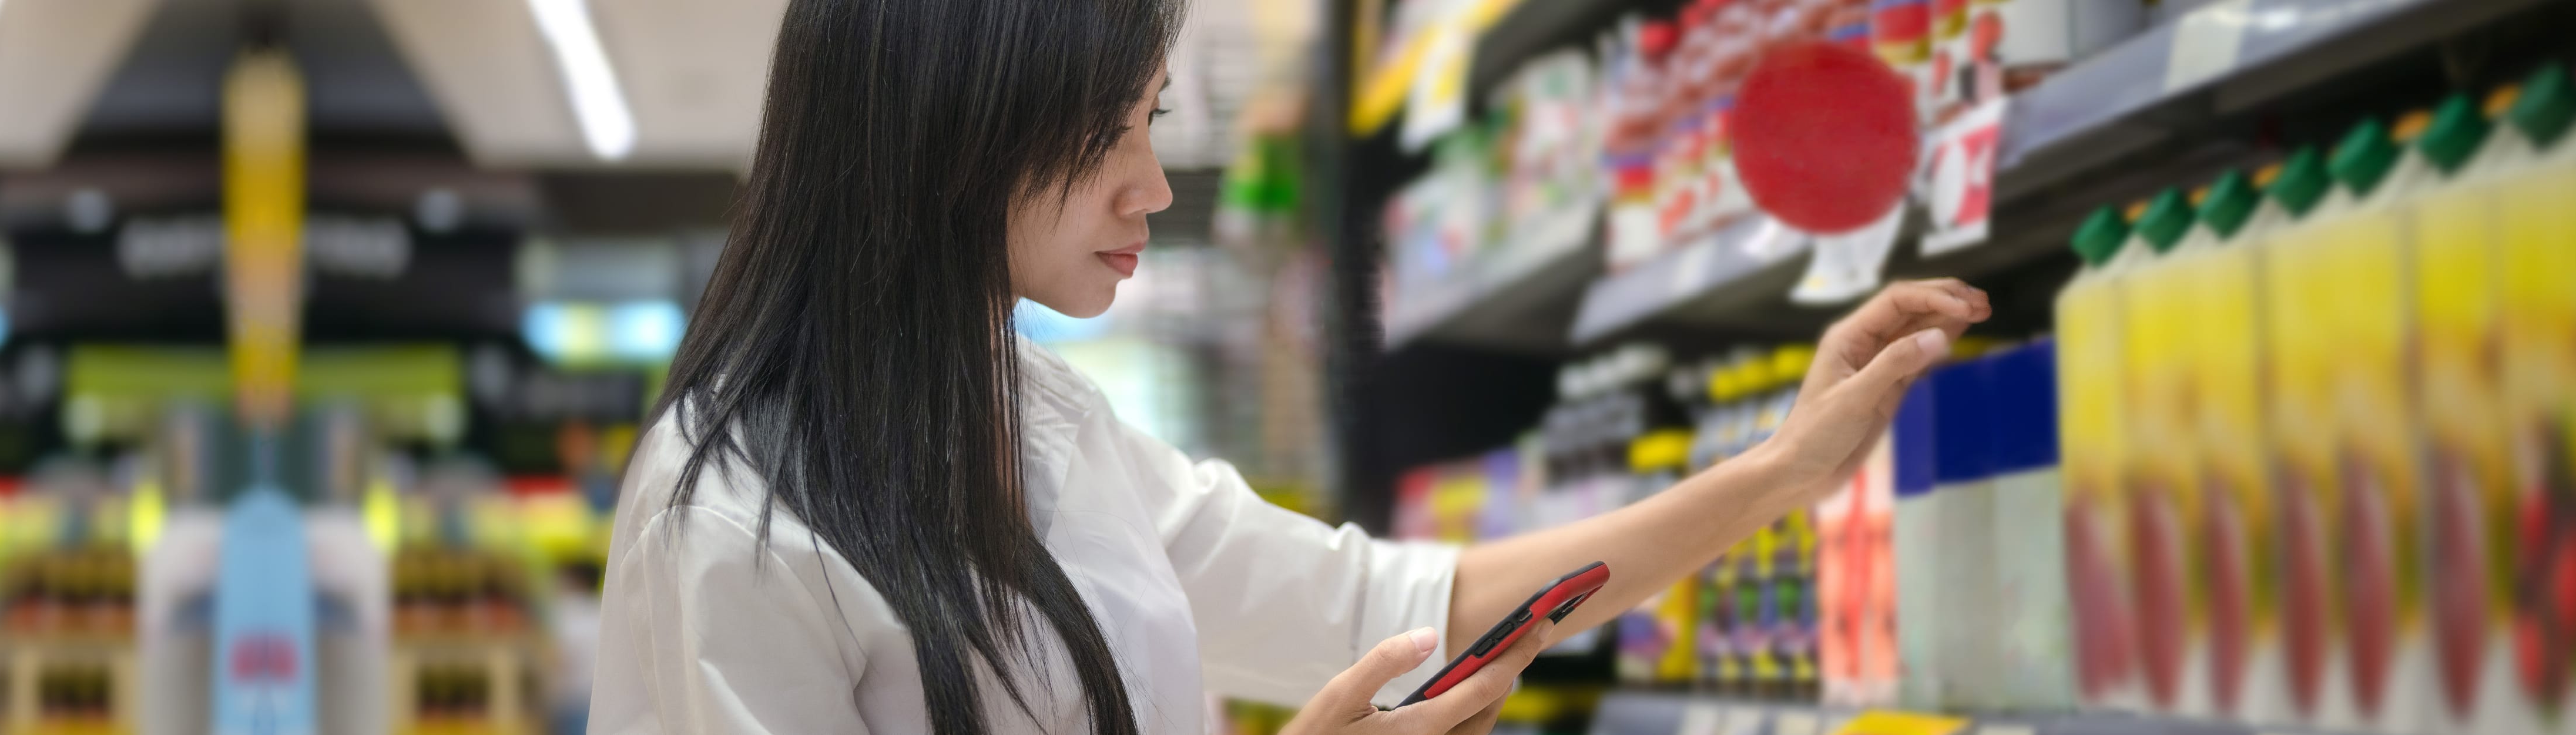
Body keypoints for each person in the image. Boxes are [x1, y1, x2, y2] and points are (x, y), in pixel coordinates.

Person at [585, 0, 1991, 733]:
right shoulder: (734, 515)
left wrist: (1781, 469)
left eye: (1153, 123)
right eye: (1108, 132)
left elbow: (1396, 608)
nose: (1154, 186)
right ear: (957, 127)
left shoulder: (1044, 429)